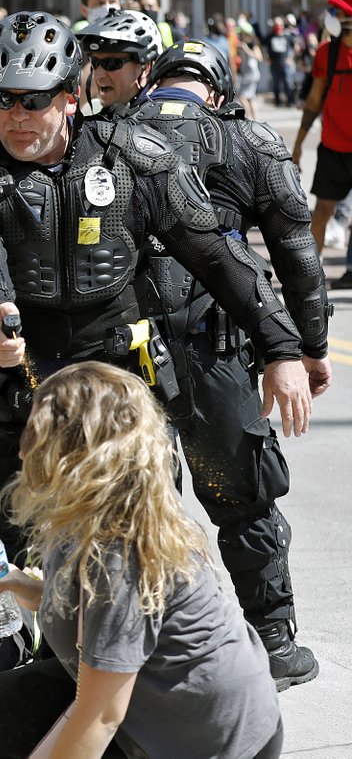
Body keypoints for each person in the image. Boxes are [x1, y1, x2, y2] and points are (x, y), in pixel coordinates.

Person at [0, 10, 311, 759]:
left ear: (71, 94)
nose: (15, 116)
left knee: (134, 570)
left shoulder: (137, 156)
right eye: (0, 99)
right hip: (17, 387)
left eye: (33, 99)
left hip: (116, 406)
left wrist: (284, 347)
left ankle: (122, 714)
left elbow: (219, 255)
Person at [124, 39, 331, 690]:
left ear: (153, 83)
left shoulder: (107, 133)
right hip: (215, 344)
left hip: (121, 346)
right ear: (215, 92)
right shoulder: (251, 143)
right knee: (244, 497)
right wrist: (309, 347)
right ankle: (273, 644)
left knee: (132, 499)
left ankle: (135, 644)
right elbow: (297, 258)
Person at [0, 362, 283, 759]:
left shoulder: (117, 555)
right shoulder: (96, 507)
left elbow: (101, 717)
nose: (23, 449)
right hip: (162, 706)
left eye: (37, 433)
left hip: (214, 745)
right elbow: (98, 612)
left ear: (77, 453)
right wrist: (30, 589)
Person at [291, 0, 352, 264]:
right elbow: (314, 101)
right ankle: (312, 276)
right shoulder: (327, 53)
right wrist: (298, 146)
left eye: (334, 11)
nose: (329, 16)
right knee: (321, 213)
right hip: (333, 148)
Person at [75, 8, 162, 115]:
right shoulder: (89, 112)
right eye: (94, 62)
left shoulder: (165, 120)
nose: (98, 75)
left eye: (111, 64)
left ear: (146, 68)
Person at [237, 28, 264, 120]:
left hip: (252, 74)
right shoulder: (241, 45)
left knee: (242, 97)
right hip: (246, 73)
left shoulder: (252, 44)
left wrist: (246, 49)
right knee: (251, 98)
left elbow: (259, 57)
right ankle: (256, 119)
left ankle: (247, 118)